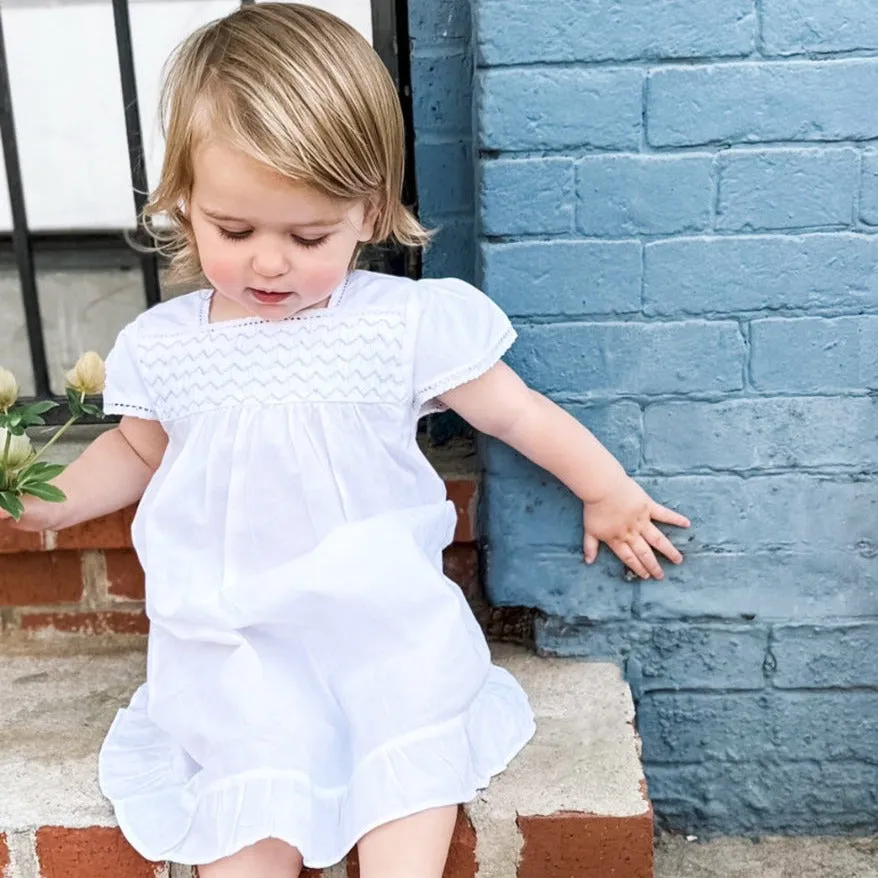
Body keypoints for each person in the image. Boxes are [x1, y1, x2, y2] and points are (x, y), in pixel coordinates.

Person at [0, 5, 689, 876]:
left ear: (368, 211)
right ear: (184, 207)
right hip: (239, 644)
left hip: (382, 634)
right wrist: (38, 503)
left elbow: (513, 413)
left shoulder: (398, 327)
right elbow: (139, 453)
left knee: (404, 787)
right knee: (247, 819)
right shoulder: (166, 347)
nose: (271, 264)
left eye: (308, 234)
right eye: (235, 231)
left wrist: (606, 488)